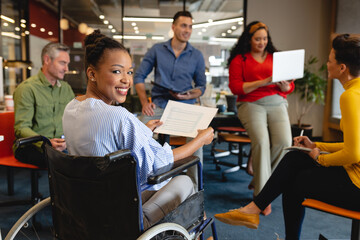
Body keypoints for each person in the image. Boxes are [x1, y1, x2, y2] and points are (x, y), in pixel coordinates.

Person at [62, 30, 214, 229]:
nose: (126, 80)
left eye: (130, 72)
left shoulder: (71, 108)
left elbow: (102, 138)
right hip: (120, 215)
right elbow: (160, 162)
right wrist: (199, 140)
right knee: (184, 181)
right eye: (117, 71)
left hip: (86, 205)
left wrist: (141, 130)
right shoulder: (119, 116)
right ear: (92, 73)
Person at [215, 33, 360, 240]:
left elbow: (354, 152)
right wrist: (315, 145)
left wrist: (320, 158)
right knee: (296, 156)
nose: (326, 64)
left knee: (292, 182)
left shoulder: (350, 96)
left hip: (356, 185)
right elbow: (354, 145)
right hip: (355, 176)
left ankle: (254, 211)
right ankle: (254, 210)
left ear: (342, 68)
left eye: (329, 60)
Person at [227, 21, 295, 215]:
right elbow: (237, 88)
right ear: (249, 40)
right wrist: (264, 81)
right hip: (251, 103)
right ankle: (261, 196)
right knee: (262, 142)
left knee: (285, 142)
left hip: (277, 101)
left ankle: (261, 179)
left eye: (265, 39)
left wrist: (284, 87)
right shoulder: (240, 60)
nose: (262, 42)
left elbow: (289, 87)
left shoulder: (276, 57)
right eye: (258, 39)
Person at [134, 10, 207, 189]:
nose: (187, 30)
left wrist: (190, 95)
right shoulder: (157, 50)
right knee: (139, 135)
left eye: (190, 26)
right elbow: (139, 77)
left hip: (186, 106)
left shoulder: (196, 55)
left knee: (198, 141)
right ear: (173, 27)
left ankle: (194, 190)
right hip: (159, 104)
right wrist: (144, 102)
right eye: (183, 25)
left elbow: (201, 87)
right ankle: (139, 185)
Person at [13, 42, 75, 167]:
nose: (66, 69)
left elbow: (75, 119)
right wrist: (47, 142)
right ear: (47, 60)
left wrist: (67, 141)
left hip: (61, 145)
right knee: (62, 161)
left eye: (67, 64)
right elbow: (21, 128)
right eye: (63, 63)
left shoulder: (66, 88)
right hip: (33, 146)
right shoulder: (27, 88)